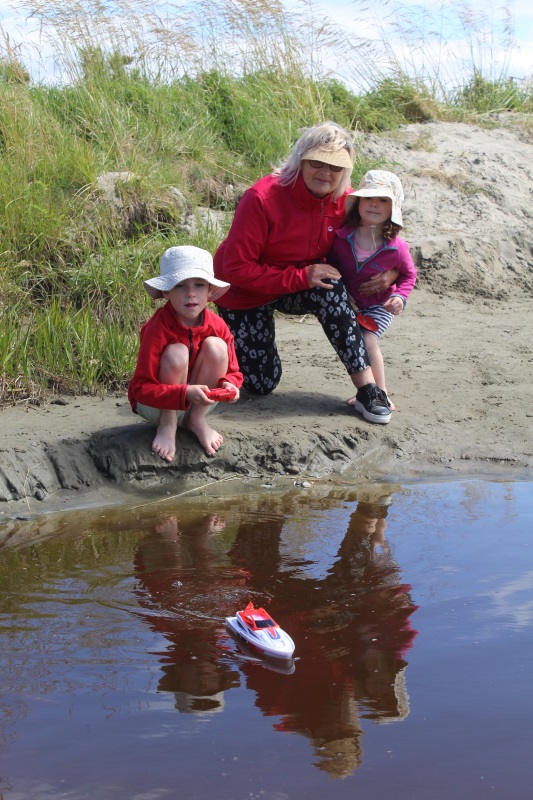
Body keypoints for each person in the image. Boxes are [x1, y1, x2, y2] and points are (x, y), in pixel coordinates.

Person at [213, 121, 396, 424]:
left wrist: (389, 273)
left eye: (335, 167)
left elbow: (381, 242)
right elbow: (234, 269)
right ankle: (214, 352)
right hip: (245, 293)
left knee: (333, 288)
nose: (325, 173)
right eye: (317, 163)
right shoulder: (261, 198)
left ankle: (369, 390)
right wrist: (301, 277)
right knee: (261, 384)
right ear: (300, 159)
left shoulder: (347, 201)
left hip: (302, 284)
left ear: (346, 171)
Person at [128, 245, 243, 461]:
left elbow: (235, 373)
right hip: (157, 406)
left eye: (199, 285)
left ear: (210, 291)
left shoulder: (218, 326)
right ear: (166, 292)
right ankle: (168, 424)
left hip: (199, 403)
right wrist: (183, 392)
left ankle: (197, 420)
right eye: (180, 286)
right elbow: (141, 389)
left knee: (217, 347)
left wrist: (230, 385)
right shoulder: (157, 328)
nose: (191, 293)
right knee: (177, 352)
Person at [328, 170, 417, 410]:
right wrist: (340, 291)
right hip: (351, 304)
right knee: (354, 341)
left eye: (383, 200)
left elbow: (410, 274)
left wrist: (400, 296)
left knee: (367, 340)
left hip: (381, 305)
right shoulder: (342, 238)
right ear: (358, 203)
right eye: (369, 199)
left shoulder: (396, 246)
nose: (374, 205)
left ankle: (381, 392)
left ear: (393, 209)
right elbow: (331, 264)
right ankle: (365, 389)